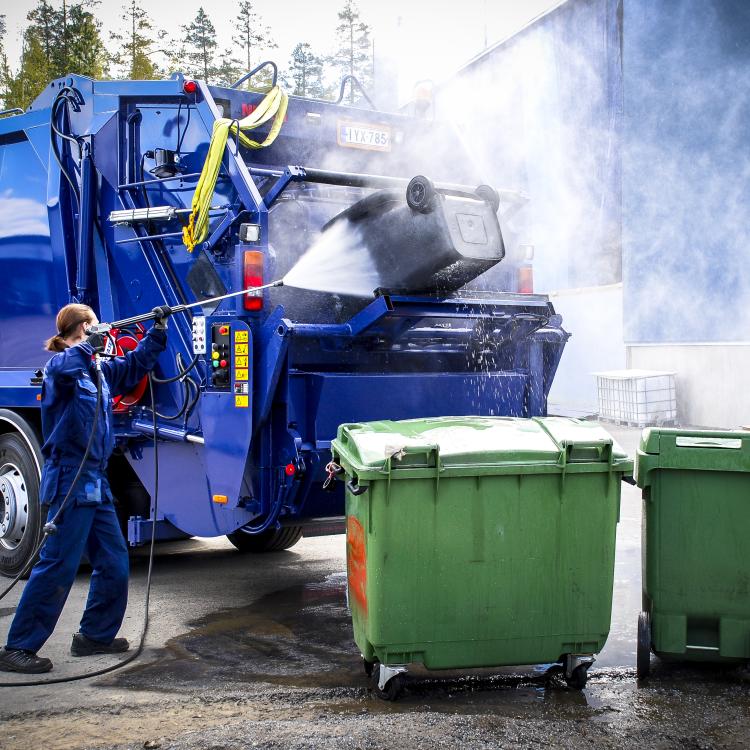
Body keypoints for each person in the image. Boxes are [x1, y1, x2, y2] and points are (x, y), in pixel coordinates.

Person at [0, 302, 171, 674]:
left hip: (96, 479)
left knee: (113, 561)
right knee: (59, 565)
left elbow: (132, 367)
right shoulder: (62, 369)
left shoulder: (97, 371)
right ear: (80, 328)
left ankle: (94, 635)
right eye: (95, 324)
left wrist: (157, 333)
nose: (104, 330)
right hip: (70, 479)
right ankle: (18, 647)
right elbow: (62, 365)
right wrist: (85, 345)